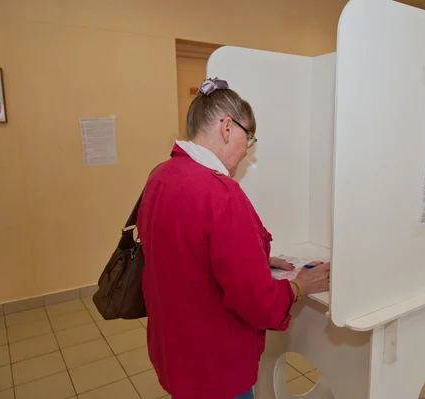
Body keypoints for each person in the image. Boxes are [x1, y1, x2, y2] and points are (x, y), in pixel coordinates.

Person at [137, 78, 331, 399]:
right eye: (249, 137)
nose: (246, 152)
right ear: (228, 128)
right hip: (216, 368)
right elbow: (257, 301)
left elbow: (183, 247)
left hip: (175, 353)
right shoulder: (220, 193)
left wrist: (257, 257)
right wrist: (300, 286)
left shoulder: (161, 176)